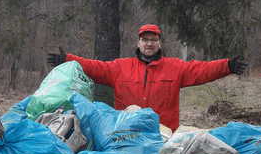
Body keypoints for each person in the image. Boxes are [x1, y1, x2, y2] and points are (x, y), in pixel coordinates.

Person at [47, 24, 247, 130]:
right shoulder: (120, 67)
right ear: (138, 43)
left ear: (159, 43)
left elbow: (202, 70)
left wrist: (227, 66)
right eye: (145, 39)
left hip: (163, 135)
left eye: (153, 40)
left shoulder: (175, 67)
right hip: (127, 133)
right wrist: (67, 60)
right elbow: (94, 67)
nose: (149, 43)